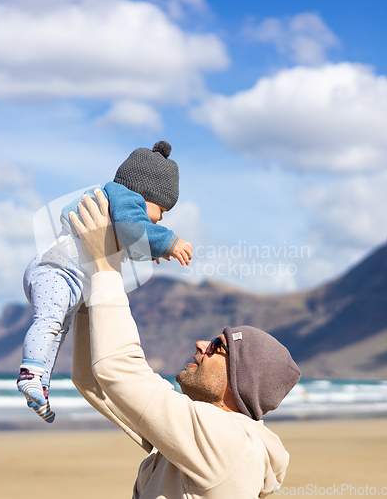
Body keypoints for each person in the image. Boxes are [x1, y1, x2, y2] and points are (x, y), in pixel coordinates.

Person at [68, 190, 301, 498]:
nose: (202, 343)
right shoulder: (201, 436)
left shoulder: (229, 443)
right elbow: (93, 380)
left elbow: (119, 369)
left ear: (241, 381)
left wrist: (105, 265)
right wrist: (92, 278)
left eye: (219, 346)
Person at [17, 141, 193, 423]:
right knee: (49, 321)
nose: (161, 218)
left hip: (67, 279)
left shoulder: (115, 205)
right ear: (147, 193)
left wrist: (151, 250)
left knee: (58, 330)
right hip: (55, 272)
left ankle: (39, 386)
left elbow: (123, 240)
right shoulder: (123, 196)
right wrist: (168, 241)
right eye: (162, 210)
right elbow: (132, 228)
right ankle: (29, 373)